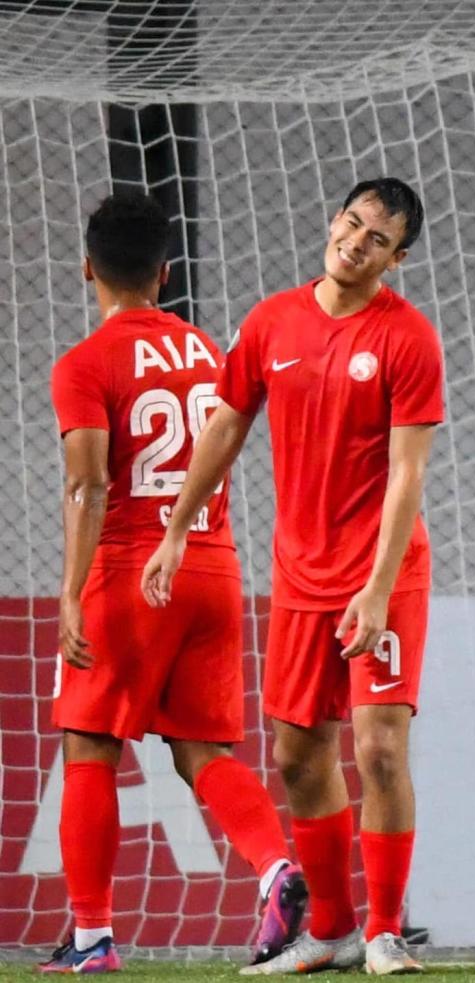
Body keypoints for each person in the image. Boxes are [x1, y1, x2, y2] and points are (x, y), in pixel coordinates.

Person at [142, 178, 443, 976]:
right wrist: (176, 529)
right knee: (298, 758)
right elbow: (226, 424)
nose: (355, 242)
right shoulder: (272, 321)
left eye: (377, 238)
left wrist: (377, 589)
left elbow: (409, 475)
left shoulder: (409, 337)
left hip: (385, 573)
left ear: (396, 257)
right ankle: (333, 929)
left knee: (379, 750)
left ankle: (384, 929)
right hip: (298, 579)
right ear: (332, 220)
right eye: (350, 223)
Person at [41, 191, 303, 973]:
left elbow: (87, 485)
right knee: (201, 749)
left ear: (88, 266)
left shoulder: (84, 364)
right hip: (209, 567)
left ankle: (92, 937)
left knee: (90, 743)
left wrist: (69, 588)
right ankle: (276, 869)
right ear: (165, 271)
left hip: (125, 571)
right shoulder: (206, 349)